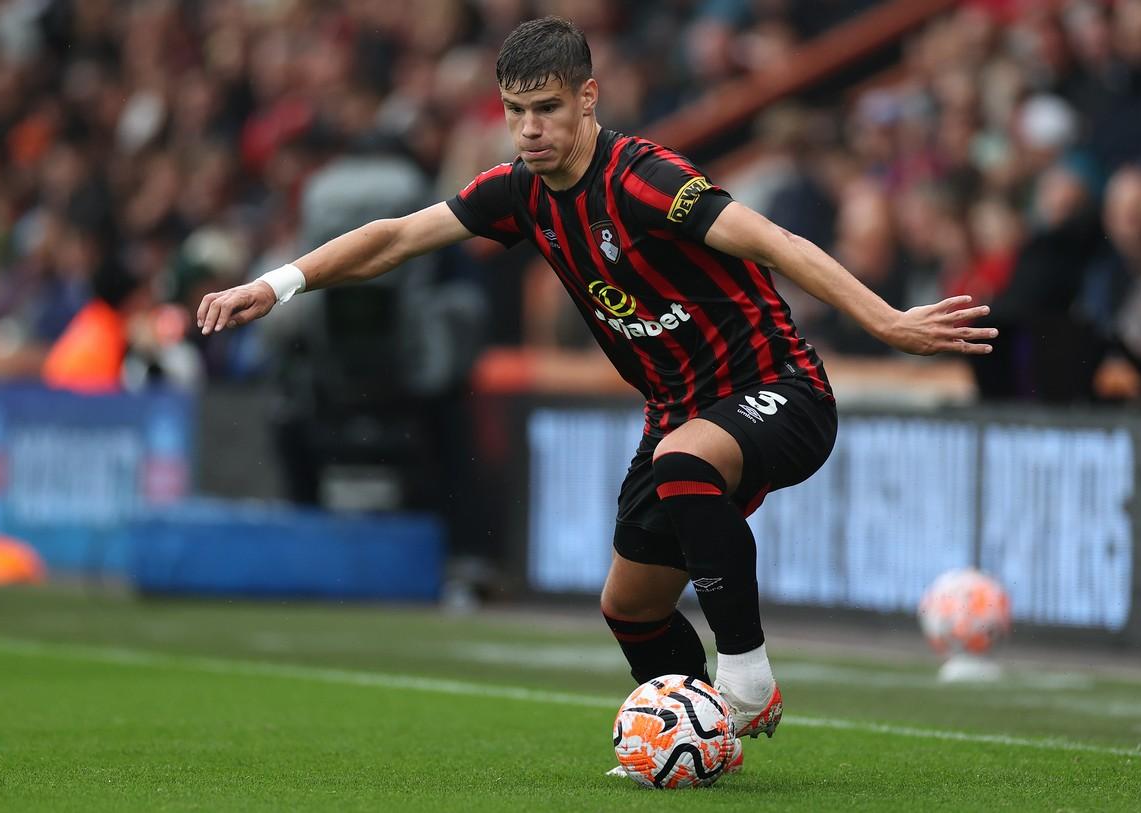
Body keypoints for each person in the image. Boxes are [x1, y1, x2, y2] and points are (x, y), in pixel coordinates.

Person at [197, 16, 997, 774]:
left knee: (684, 461)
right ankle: (706, 740)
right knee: (631, 608)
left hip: (780, 390)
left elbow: (775, 240)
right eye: (515, 112)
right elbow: (398, 237)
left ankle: (748, 673)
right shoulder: (519, 192)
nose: (529, 129)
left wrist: (886, 320)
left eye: (546, 108)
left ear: (588, 97)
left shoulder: (646, 181)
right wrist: (278, 282)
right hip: (677, 411)